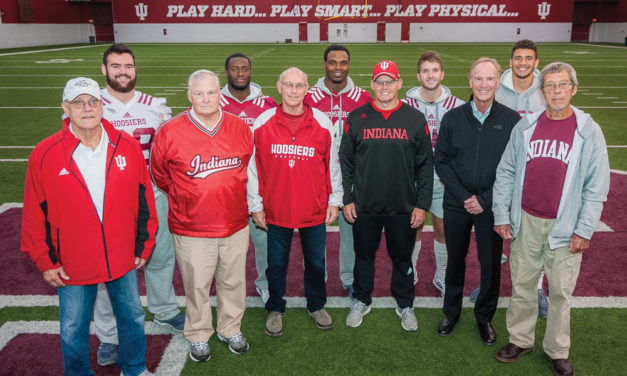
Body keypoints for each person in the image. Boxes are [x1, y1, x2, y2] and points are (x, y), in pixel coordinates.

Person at [21, 77, 157, 376]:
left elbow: (144, 200)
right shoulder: (44, 154)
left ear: (102, 105)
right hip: (71, 261)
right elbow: (33, 215)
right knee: (72, 327)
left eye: (93, 101)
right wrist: (45, 261)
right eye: (78, 102)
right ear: (65, 108)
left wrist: (143, 245)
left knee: (132, 316)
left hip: (121, 254)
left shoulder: (127, 146)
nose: (87, 108)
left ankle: (134, 368)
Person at [494, 62, 609, 376]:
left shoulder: (588, 130)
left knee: (560, 291)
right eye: (550, 86)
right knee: (523, 285)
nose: (556, 91)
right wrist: (503, 213)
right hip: (527, 220)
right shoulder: (527, 126)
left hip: (565, 224)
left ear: (573, 88)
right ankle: (520, 339)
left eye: (562, 85)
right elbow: (505, 171)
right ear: (541, 92)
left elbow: (596, 186)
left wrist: (584, 229)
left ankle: (557, 350)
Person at [150, 70, 253, 361]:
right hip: (191, 226)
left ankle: (230, 327)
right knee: (196, 285)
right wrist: (188, 198)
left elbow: (246, 168)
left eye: (211, 92)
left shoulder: (240, 127)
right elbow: (160, 174)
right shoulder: (170, 130)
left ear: (220, 94)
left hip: (234, 223)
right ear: (189, 96)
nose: (206, 99)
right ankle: (198, 333)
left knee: (233, 280)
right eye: (199, 93)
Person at [93, 43, 185, 367]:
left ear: (135, 69)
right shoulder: (91, 106)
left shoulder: (155, 106)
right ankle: (109, 334)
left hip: (153, 195)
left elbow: (169, 151)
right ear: (104, 70)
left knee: (161, 256)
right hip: (107, 201)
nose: (122, 71)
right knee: (107, 269)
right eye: (115, 66)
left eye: (128, 66)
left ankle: (164, 309)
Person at [247, 67, 342, 337]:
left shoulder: (323, 121)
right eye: (288, 85)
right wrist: (256, 205)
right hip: (276, 209)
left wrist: (334, 200)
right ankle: (275, 308)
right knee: (275, 264)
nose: (293, 91)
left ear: (307, 89)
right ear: (278, 86)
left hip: (313, 207)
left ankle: (316, 305)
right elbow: (253, 167)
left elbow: (331, 165)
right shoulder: (263, 121)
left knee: (315, 263)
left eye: (299, 86)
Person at [340, 60, 433, 332]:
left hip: (402, 206)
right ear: (371, 85)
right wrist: (347, 198)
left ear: (399, 84)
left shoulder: (414, 119)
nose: (384, 86)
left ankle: (405, 303)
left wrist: (422, 204)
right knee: (364, 256)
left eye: (389, 81)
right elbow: (345, 161)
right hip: (365, 205)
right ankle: (361, 299)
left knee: (402, 258)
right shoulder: (357, 117)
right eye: (379, 81)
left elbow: (426, 164)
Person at [434, 58, 520, 345]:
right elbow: (442, 161)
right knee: (455, 260)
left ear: (498, 82)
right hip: (457, 202)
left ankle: (484, 317)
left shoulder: (511, 120)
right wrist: (464, 197)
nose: (484, 85)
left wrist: (485, 199)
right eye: (478, 79)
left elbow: (514, 167)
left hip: (491, 206)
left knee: (490, 263)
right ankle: (451, 312)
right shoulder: (453, 118)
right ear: (470, 82)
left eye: (490, 79)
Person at [470, 39, 549, 317]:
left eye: (529, 58)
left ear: (536, 62)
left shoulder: (545, 90)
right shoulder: (495, 87)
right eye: (518, 58)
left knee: (531, 234)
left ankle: (537, 288)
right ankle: (489, 284)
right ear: (511, 61)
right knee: (493, 231)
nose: (523, 63)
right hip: (498, 172)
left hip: (534, 169)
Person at [304, 44, 371, 298]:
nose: (338, 68)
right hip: (316, 175)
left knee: (350, 229)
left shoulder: (363, 97)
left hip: (352, 175)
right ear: (324, 65)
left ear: (349, 65)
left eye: (343, 62)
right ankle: (316, 278)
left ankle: (348, 278)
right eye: (333, 62)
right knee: (314, 230)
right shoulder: (309, 97)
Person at [402, 51, 464, 296]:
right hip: (414, 179)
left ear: (442, 74)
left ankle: (441, 274)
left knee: (442, 228)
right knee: (414, 226)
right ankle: (412, 271)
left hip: (443, 179)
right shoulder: (406, 105)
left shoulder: (457, 105)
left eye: (435, 70)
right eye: (425, 71)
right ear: (418, 75)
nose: (430, 75)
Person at [220, 52, 278, 305]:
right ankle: (229, 291)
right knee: (228, 248)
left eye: (245, 68)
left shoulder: (268, 103)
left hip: (261, 186)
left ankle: (265, 284)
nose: (240, 73)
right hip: (227, 188)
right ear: (226, 73)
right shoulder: (216, 102)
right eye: (235, 69)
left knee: (264, 242)